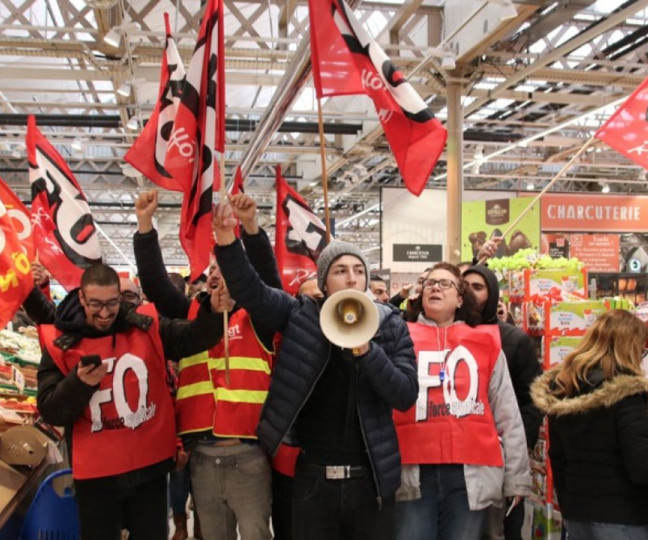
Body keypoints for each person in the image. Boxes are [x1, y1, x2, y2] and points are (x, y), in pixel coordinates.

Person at [212, 196, 419, 540]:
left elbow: (405, 394)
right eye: (340, 271)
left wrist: (368, 351)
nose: (351, 278)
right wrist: (227, 239)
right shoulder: (300, 315)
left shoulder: (391, 326)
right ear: (324, 283)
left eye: (358, 271)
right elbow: (253, 291)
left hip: (370, 481)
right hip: (312, 480)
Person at [36, 263, 226, 539]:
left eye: (112, 303)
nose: (104, 313)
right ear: (81, 298)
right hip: (96, 477)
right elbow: (51, 410)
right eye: (96, 304)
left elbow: (192, 338)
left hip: (148, 471)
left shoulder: (146, 325)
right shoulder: (59, 342)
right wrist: (78, 384)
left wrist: (211, 313)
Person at [133, 190, 280, 540]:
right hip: (201, 457)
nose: (216, 273)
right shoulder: (189, 314)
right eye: (212, 268)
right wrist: (144, 225)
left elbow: (270, 281)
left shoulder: (259, 317)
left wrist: (250, 227)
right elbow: (154, 284)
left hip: (249, 455)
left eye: (225, 266)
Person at [396, 263, 531, 540]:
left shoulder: (486, 342)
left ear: (460, 298)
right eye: (431, 282)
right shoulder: (398, 337)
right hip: (412, 470)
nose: (436, 287)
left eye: (446, 284)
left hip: (469, 474)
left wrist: (517, 477)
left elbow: (507, 411)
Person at [531, 310, 648, 540]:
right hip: (622, 516)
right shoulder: (626, 394)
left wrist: (570, 504)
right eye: (641, 350)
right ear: (629, 348)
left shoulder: (564, 388)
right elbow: (641, 468)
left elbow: (558, 457)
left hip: (577, 515)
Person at [462, 265, 543, 540]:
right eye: (465, 286)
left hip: (499, 459)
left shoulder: (513, 340)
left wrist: (514, 451)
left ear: (493, 294)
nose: (470, 293)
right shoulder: (446, 335)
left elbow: (532, 401)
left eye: (478, 287)